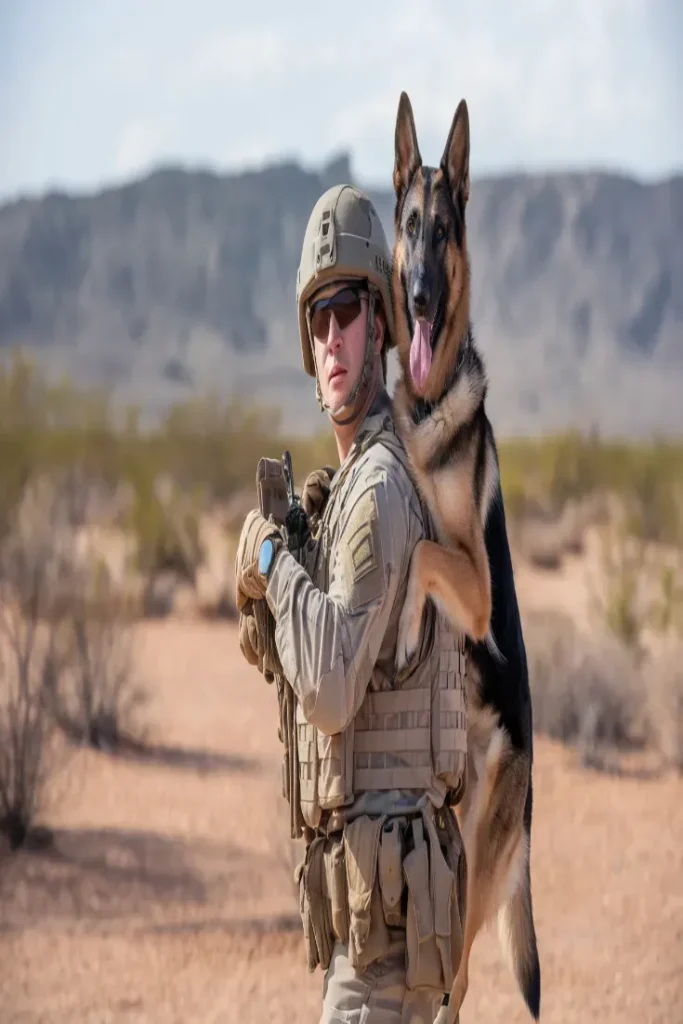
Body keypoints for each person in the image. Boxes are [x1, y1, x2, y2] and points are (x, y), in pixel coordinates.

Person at [234, 184, 468, 1024]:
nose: (330, 338)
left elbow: (331, 690)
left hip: (386, 950)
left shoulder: (375, 491)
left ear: (382, 324)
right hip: (375, 925)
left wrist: (268, 559)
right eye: (317, 320)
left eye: (346, 312)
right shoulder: (354, 489)